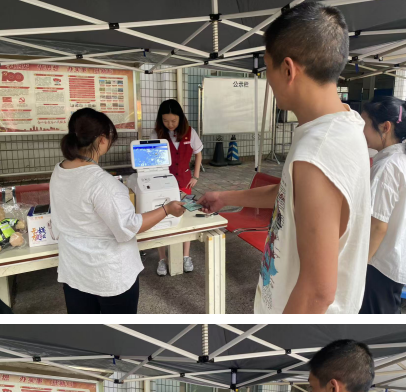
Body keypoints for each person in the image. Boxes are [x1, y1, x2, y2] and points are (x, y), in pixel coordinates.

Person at [199, 1, 371, 314]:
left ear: (288, 70)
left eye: (268, 69)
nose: (268, 80)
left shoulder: (318, 151)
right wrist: (225, 197)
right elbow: (289, 194)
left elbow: (318, 292)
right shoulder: (343, 124)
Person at [50, 107, 185, 314]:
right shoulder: (102, 183)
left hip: (74, 273)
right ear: (102, 139)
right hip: (109, 276)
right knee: (119, 330)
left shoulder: (59, 170)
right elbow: (129, 226)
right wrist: (166, 209)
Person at [359, 96, 406, 314]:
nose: (361, 132)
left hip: (378, 265)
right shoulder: (399, 159)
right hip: (392, 261)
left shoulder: (387, 167)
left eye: (364, 125)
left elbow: (377, 226)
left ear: (385, 127)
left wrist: (358, 267)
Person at [150, 99, 203, 276]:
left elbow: (198, 153)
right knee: (162, 218)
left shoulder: (190, 132)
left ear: (181, 118)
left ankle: (186, 255)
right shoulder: (156, 134)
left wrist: (196, 176)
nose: (170, 124)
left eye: (173, 120)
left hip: (184, 181)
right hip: (163, 182)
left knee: (184, 217)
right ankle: (162, 258)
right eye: (165, 121)